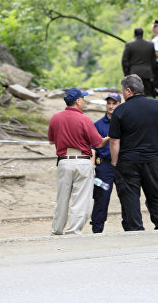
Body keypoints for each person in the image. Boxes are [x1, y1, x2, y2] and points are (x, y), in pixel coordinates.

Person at [109, 74, 158, 231]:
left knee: (130, 196)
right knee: (156, 194)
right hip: (152, 158)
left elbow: (114, 140)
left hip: (128, 160)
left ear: (128, 91)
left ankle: (136, 229)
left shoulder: (121, 110)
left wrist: (114, 161)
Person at [48, 88, 103, 235]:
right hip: (83, 161)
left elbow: (51, 141)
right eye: (83, 99)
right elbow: (97, 143)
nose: (84, 101)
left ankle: (57, 229)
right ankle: (73, 230)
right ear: (78, 101)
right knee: (81, 198)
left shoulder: (55, 117)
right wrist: (109, 138)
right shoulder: (85, 119)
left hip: (64, 160)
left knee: (62, 198)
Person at [90, 92, 122, 233]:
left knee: (127, 197)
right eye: (109, 103)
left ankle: (131, 228)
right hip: (104, 166)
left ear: (120, 104)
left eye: (114, 103)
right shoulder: (97, 125)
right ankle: (97, 229)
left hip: (122, 166)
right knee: (101, 197)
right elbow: (92, 148)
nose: (110, 106)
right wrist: (93, 168)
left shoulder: (125, 122)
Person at [122, 28, 157, 97]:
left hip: (134, 73)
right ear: (142, 34)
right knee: (147, 94)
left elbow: (124, 61)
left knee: (134, 94)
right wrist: (152, 74)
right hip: (147, 73)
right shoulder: (150, 45)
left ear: (134, 34)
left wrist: (127, 74)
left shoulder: (129, 45)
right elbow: (153, 61)